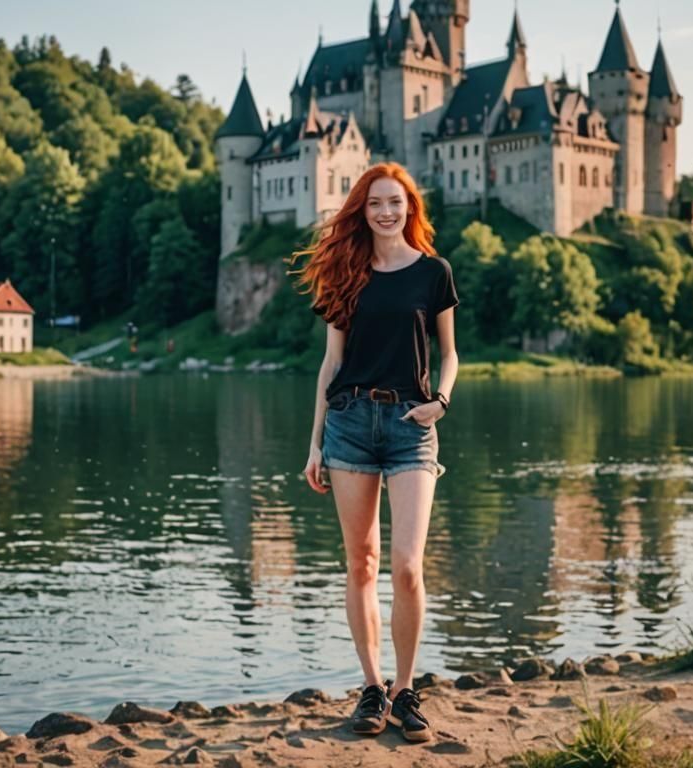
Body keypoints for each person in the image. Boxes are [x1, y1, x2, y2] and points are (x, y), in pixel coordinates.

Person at [288, 162, 459, 742]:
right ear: (362, 211)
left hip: (413, 425)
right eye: (375, 203)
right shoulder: (346, 271)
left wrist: (442, 398)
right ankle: (371, 686)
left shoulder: (434, 272)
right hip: (350, 425)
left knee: (407, 566)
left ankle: (407, 690)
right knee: (360, 563)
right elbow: (330, 364)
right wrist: (314, 442)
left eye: (396, 202)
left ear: (410, 207)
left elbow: (451, 353)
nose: (386, 211)